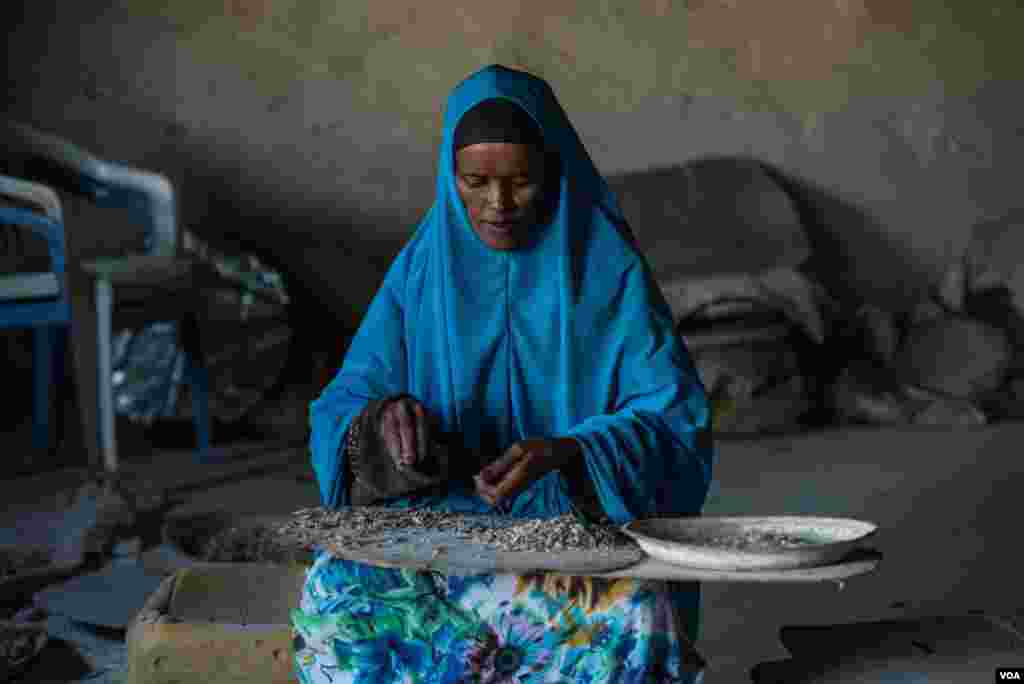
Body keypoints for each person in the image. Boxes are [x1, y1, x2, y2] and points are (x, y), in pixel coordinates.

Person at [291, 64, 714, 684]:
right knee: (337, 592)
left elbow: (676, 423)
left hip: (578, 534)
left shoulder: (610, 275)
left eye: (521, 181)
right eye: (475, 181)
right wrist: (384, 425)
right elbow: (345, 402)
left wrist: (574, 451)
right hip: (442, 534)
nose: (499, 204)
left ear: (553, 171)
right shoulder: (422, 271)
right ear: (449, 177)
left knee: (630, 613)